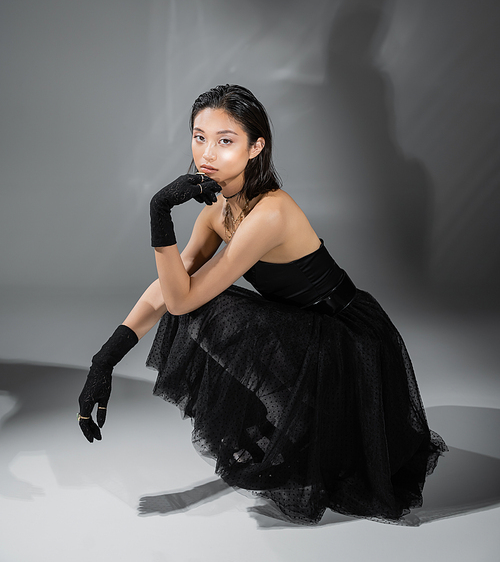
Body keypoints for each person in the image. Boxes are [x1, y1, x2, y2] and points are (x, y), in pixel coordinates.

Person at [78, 83, 446, 525]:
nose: (207, 154)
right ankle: (304, 417)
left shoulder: (270, 213)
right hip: (301, 327)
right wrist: (104, 360)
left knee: (202, 306)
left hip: (350, 338)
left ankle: (317, 420)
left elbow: (180, 300)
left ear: (256, 147)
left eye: (225, 140)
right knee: (193, 295)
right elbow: (168, 285)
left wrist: (159, 212)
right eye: (199, 137)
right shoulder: (217, 211)